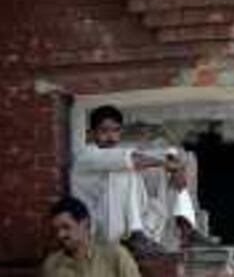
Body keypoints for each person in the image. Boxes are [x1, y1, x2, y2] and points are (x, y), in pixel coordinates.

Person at [72, 105, 211, 257]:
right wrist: (169, 163)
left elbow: (165, 153)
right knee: (126, 168)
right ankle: (136, 234)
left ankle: (186, 228)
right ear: (90, 134)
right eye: (104, 131)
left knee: (160, 171)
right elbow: (131, 159)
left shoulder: (115, 154)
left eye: (115, 131)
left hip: (130, 227)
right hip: (100, 229)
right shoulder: (86, 155)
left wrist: (176, 167)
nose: (111, 137)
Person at [42, 196, 141, 277]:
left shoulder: (116, 256)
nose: (60, 235)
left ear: (84, 224)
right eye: (56, 230)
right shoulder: (52, 265)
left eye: (66, 227)